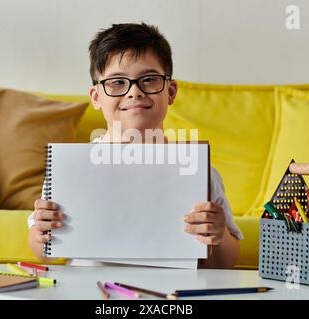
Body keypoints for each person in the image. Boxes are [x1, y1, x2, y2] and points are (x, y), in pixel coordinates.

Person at [28, 23, 243, 268]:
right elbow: (45, 254)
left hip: (170, 297)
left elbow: (226, 262)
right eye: (117, 82)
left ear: (170, 91)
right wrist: (40, 234)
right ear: (97, 97)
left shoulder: (198, 170)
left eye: (149, 80)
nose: (134, 92)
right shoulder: (68, 168)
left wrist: (219, 236)